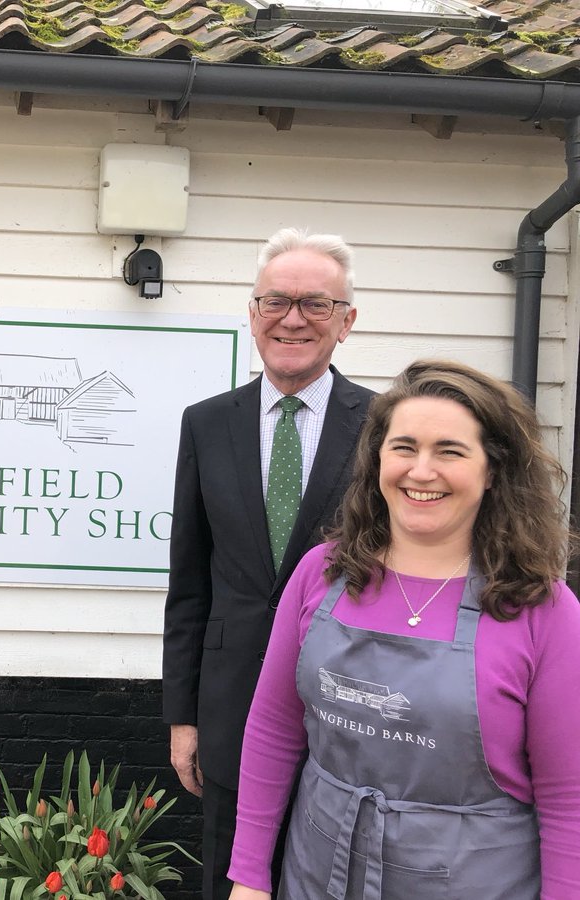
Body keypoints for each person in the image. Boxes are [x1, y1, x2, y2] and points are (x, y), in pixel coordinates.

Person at [228, 359, 580, 899]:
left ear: (493, 470)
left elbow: (568, 797)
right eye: (405, 447)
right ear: (376, 461)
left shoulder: (540, 607)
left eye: (451, 451)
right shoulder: (323, 573)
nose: (421, 470)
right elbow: (274, 728)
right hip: (319, 873)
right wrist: (249, 877)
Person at [162, 227, 374, 900]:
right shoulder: (206, 423)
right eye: (276, 301)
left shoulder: (385, 425)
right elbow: (189, 580)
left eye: (315, 303)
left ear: (346, 322)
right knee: (231, 880)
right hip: (232, 707)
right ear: (252, 315)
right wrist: (183, 715)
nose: (293, 318)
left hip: (350, 712)